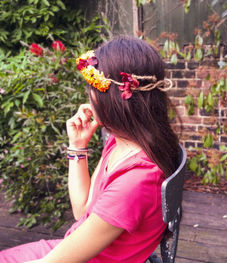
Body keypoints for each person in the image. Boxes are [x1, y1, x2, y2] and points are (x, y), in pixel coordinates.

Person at [0, 35, 179, 263]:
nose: (88, 96)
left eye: (91, 88)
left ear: (113, 97)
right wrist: (77, 146)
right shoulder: (123, 142)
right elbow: (82, 210)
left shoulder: (135, 181)